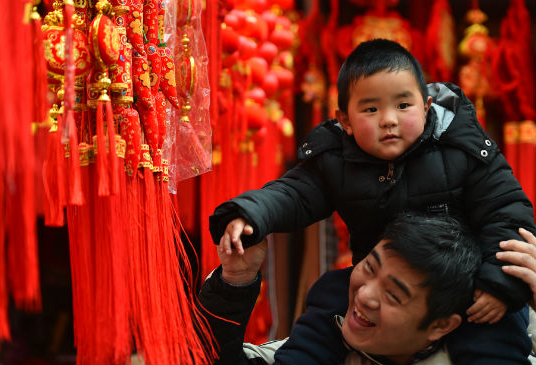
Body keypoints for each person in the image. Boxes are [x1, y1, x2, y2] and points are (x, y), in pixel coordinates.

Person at [209, 38, 536, 364]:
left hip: (470, 285)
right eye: (371, 109)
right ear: (345, 121)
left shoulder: (461, 148)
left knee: (497, 329)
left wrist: (499, 284)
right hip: (377, 275)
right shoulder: (336, 161)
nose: (388, 119)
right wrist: (250, 214)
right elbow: (292, 193)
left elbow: (506, 212)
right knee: (329, 298)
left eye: (403, 105)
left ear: (426, 105)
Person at [200, 213, 486, 364]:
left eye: (393, 295)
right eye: (370, 269)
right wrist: (235, 279)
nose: (364, 295)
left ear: (441, 324)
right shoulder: (309, 353)